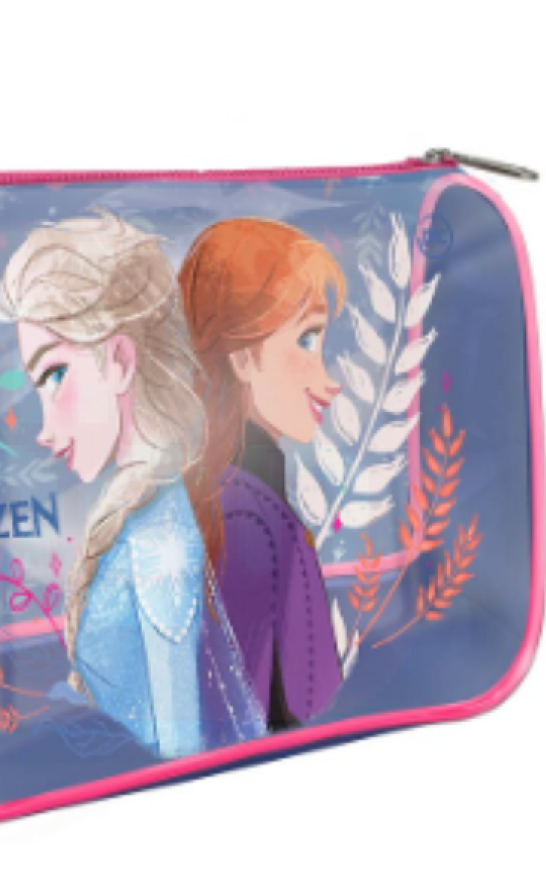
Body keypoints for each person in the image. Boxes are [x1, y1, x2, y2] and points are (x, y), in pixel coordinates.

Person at [0, 210, 265, 758]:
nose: (44, 428)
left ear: (119, 359)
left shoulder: (158, 536)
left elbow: (181, 749)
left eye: (55, 375)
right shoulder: (150, 511)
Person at [179, 218, 347, 730]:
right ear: (244, 359)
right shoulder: (251, 519)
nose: (330, 381)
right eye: (306, 340)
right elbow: (249, 721)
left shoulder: (227, 497)